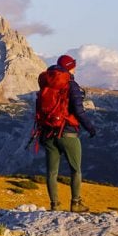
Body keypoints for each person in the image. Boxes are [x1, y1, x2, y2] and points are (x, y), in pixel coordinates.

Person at [36, 54, 96, 212]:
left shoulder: (46, 85)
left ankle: (54, 205)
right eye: (73, 65)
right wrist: (90, 127)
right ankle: (76, 203)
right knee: (75, 169)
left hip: (48, 133)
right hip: (68, 133)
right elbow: (78, 110)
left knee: (51, 172)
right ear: (70, 67)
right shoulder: (71, 85)